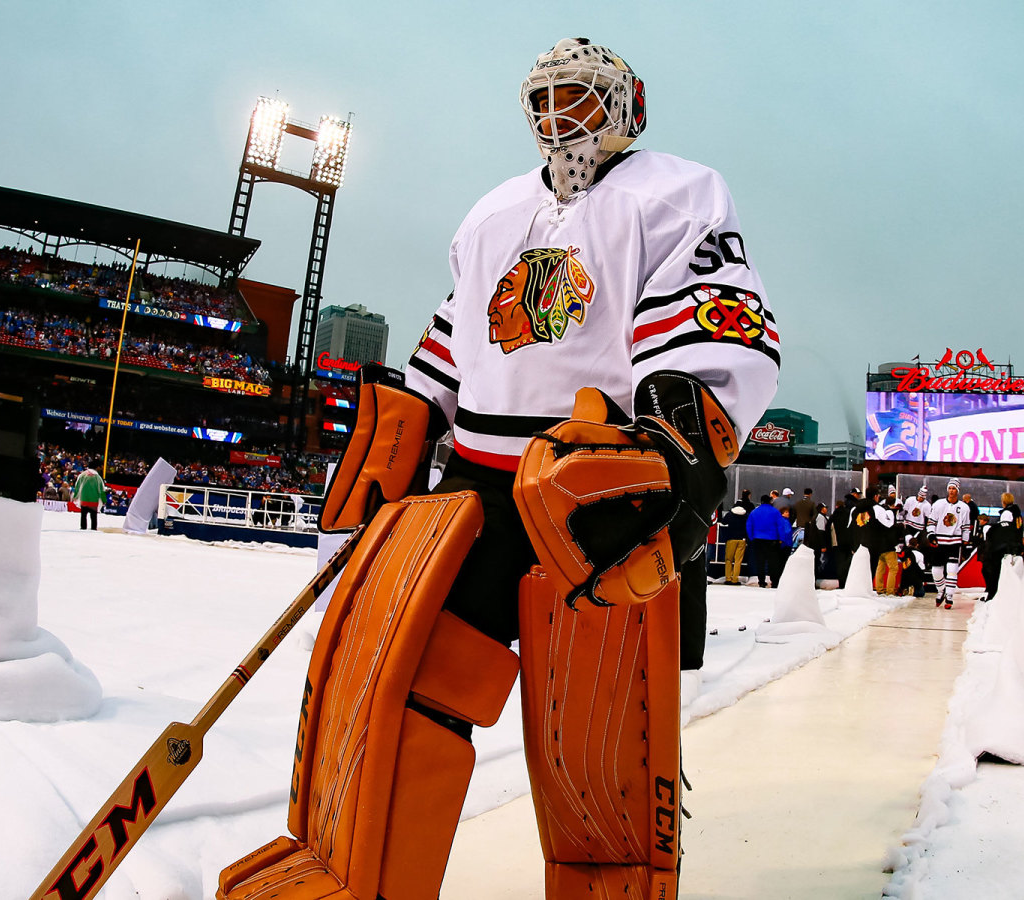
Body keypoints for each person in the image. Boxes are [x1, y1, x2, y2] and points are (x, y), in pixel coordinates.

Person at [220, 37, 780, 900]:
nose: (562, 117)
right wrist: (405, 424)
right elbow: (454, 336)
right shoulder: (491, 212)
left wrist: (680, 450)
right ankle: (359, 877)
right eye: (547, 98)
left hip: (597, 496)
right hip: (474, 494)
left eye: (582, 97)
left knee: (598, 753)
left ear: (628, 102)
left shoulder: (678, 193)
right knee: (400, 687)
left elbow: (718, 324)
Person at [926, 477, 971, 609]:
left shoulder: (964, 508)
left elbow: (966, 526)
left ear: (958, 490)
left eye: (954, 488)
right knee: (936, 571)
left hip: (954, 542)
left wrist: (965, 541)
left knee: (952, 570)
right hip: (939, 542)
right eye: (950, 488)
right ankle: (941, 591)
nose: (951, 491)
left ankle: (949, 596)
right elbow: (931, 522)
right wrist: (931, 534)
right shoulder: (938, 504)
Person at [746, 493, 784, 587]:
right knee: (773, 562)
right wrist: (781, 538)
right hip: (772, 540)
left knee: (760, 561)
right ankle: (774, 582)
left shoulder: (755, 512)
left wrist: (751, 537)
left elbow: (749, 525)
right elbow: (780, 526)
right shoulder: (775, 512)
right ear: (770, 501)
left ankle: (761, 581)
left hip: (758, 539)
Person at [719, 498, 750, 585]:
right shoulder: (746, 515)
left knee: (729, 559)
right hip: (742, 539)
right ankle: (735, 579)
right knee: (738, 560)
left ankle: (728, 578)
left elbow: (724, 522)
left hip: (731, 538)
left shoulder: (730, 514)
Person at [73, 462, 106, 531]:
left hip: (84, 498)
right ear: (96, 467)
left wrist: (75, 496)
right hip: (94, 500)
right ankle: (93, 529)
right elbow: (101, 490)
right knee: (94, 516)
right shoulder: (98, 477)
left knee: (83, 515)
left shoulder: (82, 475)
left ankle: (83, 528)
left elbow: (77, 486)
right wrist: (104, 500)